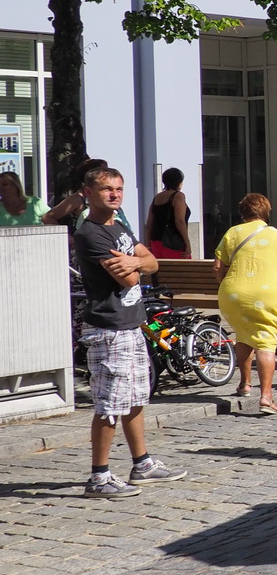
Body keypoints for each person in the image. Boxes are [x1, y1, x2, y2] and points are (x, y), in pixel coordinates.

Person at [74, 166, 184, 496]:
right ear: (89, 193)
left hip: (131, 324)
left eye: (119, 189)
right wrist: (138, 263)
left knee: (135, 398)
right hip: (109, 329)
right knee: (110, 404)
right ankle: (99, 477)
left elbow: (151, 262)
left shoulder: (119, 226)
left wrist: (136, 260)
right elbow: (131, 279)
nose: (115, 194)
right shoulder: (90, 233)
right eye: (107, 189)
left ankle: (142, 463)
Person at [215, 193, 277, 415]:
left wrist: (226, 286)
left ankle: (244, 384)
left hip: (233, 295)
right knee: (265, 342)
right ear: (265, 211)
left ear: (243, 212)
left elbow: (217, 267)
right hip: (268, 295)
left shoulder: (232, 233)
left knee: (243, 335)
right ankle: (266, 397)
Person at [144, 168, 191, 260]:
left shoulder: (157, 197)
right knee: (181, 271)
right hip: (173, 243)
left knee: (161, 272)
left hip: (156, 242)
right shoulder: (178, 196)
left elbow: (149, 224)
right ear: (179, 181)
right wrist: (187, 243)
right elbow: (179, 221)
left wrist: (148, 244)